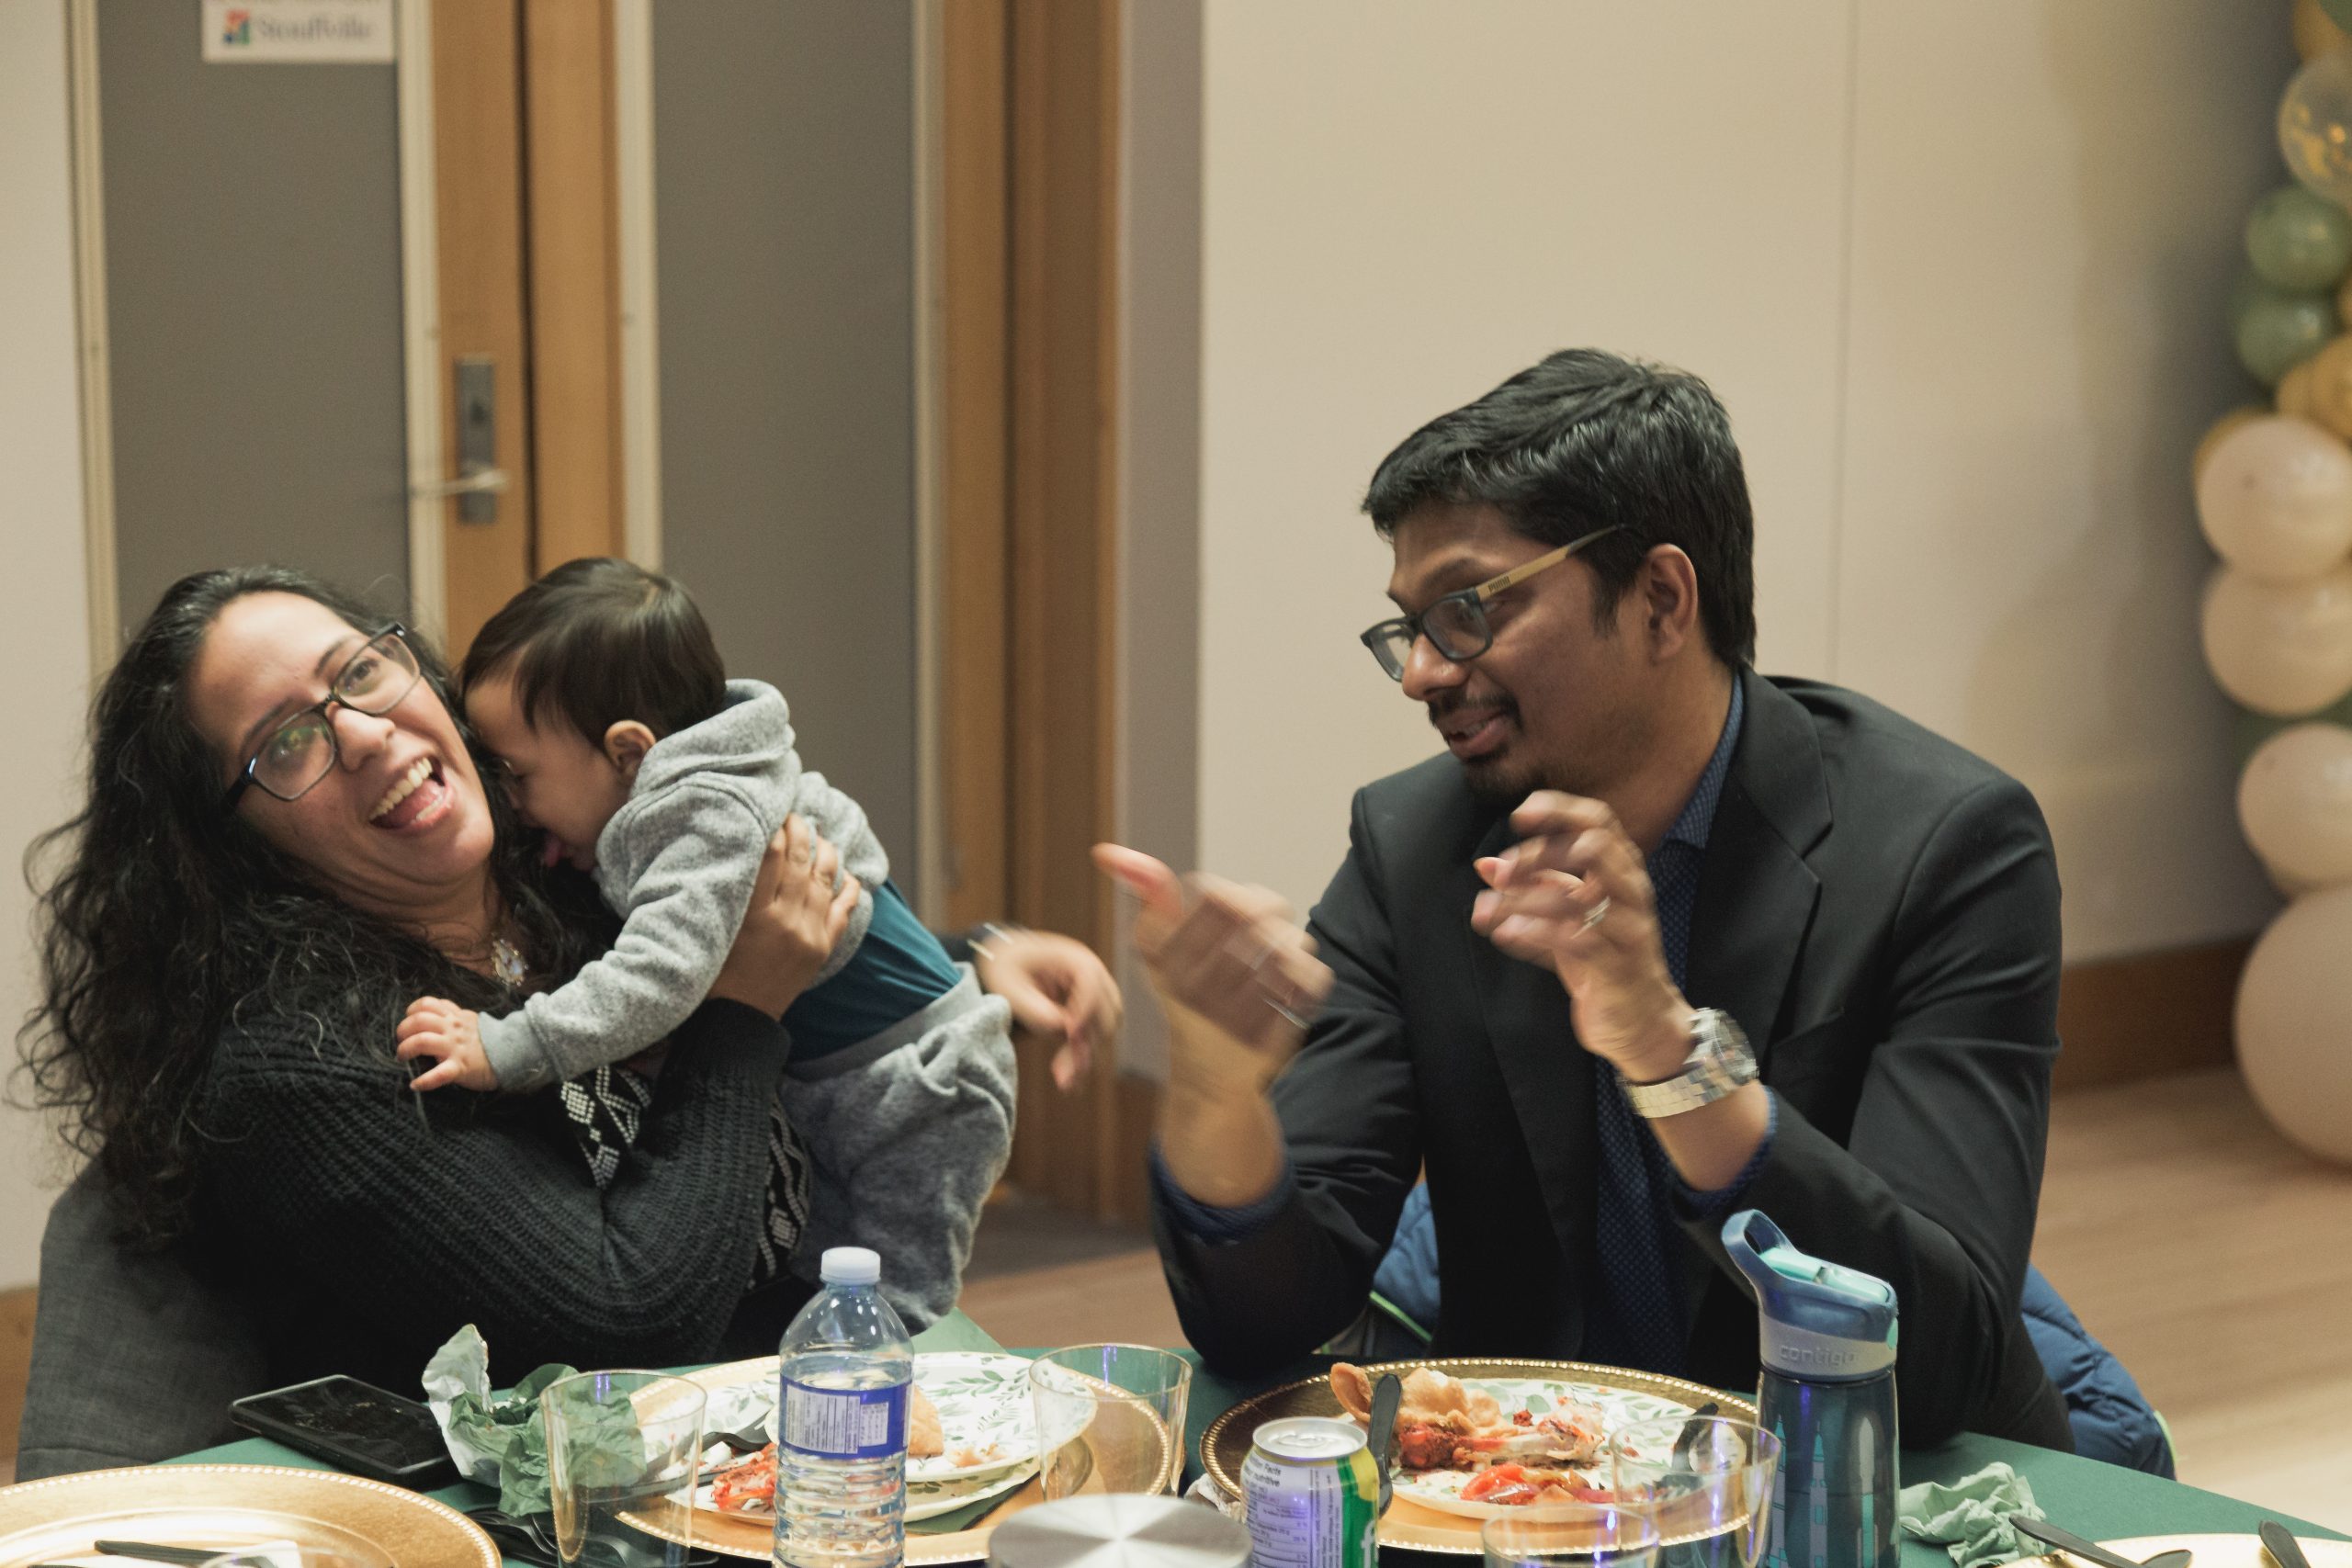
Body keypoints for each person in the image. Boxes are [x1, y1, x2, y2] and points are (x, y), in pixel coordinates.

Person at [1099, 348, 2074, 1449]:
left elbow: (1938, 1366)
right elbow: (1263, 1324)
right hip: (1533, 1493)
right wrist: (1216, 1092)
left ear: (1660, 600)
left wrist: (1668, 1055)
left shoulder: (1944, 848)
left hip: (1854, 1482)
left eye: (1466, 610)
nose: (1422, 672)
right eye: (1409, 627)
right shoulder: (1416, 848)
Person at [12, 565, 1108, 1473]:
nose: (364, 734)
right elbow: (631, 1330)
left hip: (780, 1435)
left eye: (360, 671)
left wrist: (965, 965)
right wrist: (743, 1013)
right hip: (573, 1510)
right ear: (234, 845)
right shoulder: (308, 1067)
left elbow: (735, 924)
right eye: (288, 742)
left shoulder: (563, 870)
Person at [393, 559, 992, 1205]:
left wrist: (510, 1046)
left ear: (628, 754)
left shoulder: (706, 812)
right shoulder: (685, 794)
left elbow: (659, 974)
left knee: (893, 1268)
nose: (510, 801)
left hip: (917, 1077)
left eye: (519, 776)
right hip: (857, 1063)